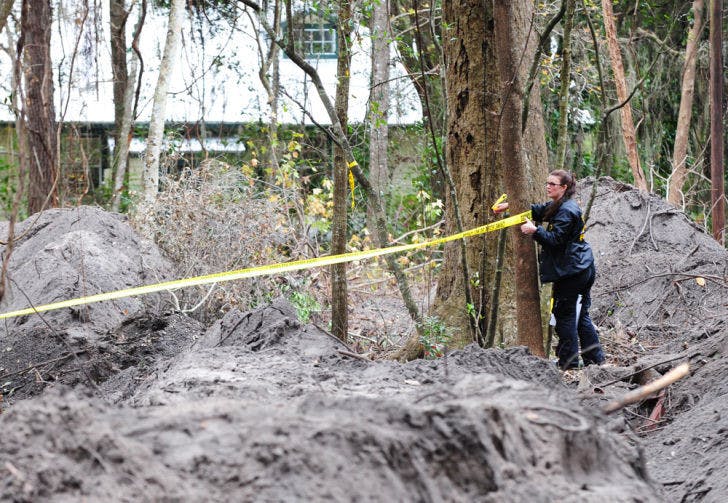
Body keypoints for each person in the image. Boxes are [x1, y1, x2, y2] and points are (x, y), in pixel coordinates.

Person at [493, 170, 605, 370]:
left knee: (566, 316)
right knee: (580, 316)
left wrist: (535, 231)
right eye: (547, 183)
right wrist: (511, 206)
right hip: (580, 267)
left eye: (553, 184)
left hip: (574, 273)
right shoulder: (558, 205)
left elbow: (555, 241)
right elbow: (538, 210)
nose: (548, 186)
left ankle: (568, 363)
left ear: (564, 188)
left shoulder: (567, 211)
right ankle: (595, 360)